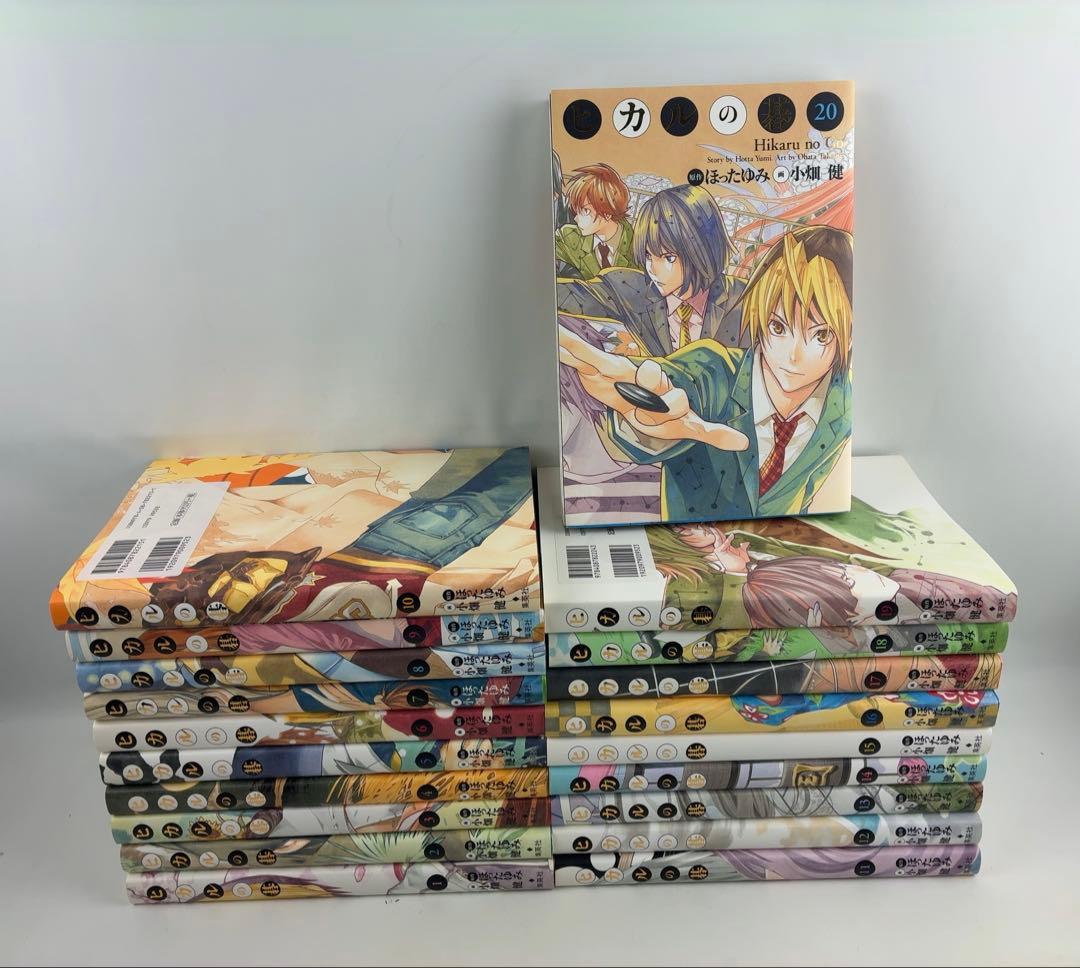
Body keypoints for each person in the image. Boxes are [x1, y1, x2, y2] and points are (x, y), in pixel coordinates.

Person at [558, 224, 853, 521]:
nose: (793, 356)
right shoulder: (715, 370)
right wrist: (644, 421)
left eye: (821, 335)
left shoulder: (840, 405)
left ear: (850, 335)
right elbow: (683, 383)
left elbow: (807, 490)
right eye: (778, 327)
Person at [557, 183, 744, 355]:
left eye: (669, 258)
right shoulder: (633, 288)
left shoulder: (743, 301)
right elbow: (568, 295)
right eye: (648, 255)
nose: (653, 269)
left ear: (703, 249)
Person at [554, 163, 636, 278]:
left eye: (585, 211)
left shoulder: (638, 246)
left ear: (607, 213)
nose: (576, 218)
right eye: (577, 211)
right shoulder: (567, 237)